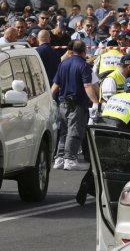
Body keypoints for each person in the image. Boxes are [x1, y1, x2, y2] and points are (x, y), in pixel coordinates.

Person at [51, 40, 99, 171]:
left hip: (63, 102)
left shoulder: (63, 64)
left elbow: (56, 85)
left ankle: (59, 158)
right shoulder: (84, 66)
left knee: (64, 131)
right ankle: (70, 159)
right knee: (74, 131)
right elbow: (87, 86)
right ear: (84, 52)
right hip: (77, 103)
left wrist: (50, 99)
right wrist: (95, 101)